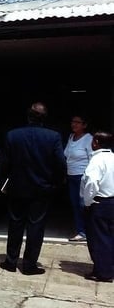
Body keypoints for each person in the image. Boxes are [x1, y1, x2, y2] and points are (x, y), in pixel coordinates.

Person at [0, 102, 66, 275]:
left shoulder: (13, 135)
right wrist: (56, 183)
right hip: (42, 189)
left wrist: (5, 179)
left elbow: (5, 163)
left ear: (28, 116)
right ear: (44, 118)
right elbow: (60, 164)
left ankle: (11, 261)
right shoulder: (53, 137)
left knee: (15, 224)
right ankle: (29, 265)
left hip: (17, 187)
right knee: (36, 227)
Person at [80, 131, 114, 283]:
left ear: (96, 143)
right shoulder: (113, 157)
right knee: (110, 237)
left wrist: (87, 203)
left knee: (99, 239)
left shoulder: (97, 160)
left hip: (100, 203)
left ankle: (103, 272)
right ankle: (109, 267)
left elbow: (92, 183)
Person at [64, 114, 93, 242]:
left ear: (84, 125)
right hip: (71, 176)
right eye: (72, 121)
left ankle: (87, 231)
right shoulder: (71, 137)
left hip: (83, 177)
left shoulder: (88, 139)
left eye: (78, 122)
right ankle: (81, 231)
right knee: (75, 205)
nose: (74, 124)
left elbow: (93, 159)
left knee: (84, 205)